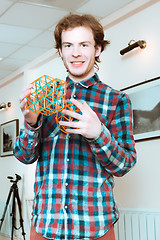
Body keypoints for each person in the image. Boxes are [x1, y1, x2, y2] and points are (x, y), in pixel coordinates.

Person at [13, 14, 137, 240]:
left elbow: (124, 165)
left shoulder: (116, 100)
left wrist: (98, 134)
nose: (76, 53)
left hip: (95, 226)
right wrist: (32, 124)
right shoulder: (45, 97)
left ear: (97, 49)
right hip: (45, 226)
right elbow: (24, 156)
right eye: (68, 45)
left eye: (84, 45)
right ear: (60, 51)